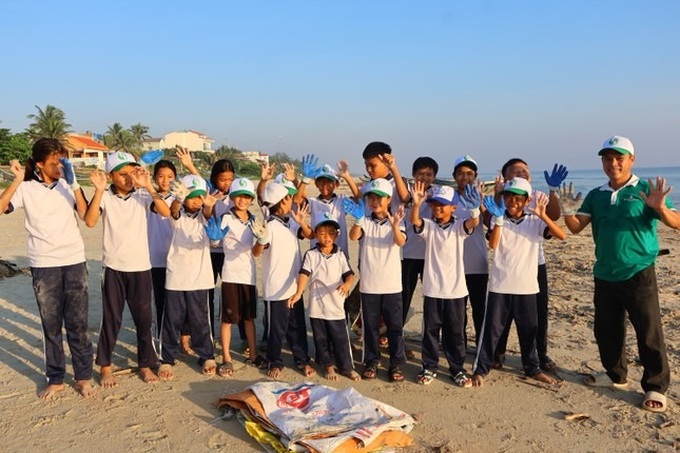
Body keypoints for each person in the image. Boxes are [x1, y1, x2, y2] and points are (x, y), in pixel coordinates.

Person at [563, 135, 679, 413]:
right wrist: (567, 208)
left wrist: (660, 208)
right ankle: (615, 375)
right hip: (604, 272)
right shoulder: (596, 195)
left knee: (648, 331)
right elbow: (576, 227)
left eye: (619, 157)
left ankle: (655, 385)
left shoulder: (645, 190)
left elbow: (676, 224)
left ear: (631, 160)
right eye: (607, 158)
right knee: (606, 329)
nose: (613, 163)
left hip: (638, 271)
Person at [0, 138, 95, 399]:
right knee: (51, 325)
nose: (61, 166)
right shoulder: (26, 189)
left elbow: (88, 218)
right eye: (55, 162)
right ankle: (55, 378)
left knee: (78, 324)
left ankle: (84, 377)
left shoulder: (68, 185)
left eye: (63, 161)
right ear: (40, 164)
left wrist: (75, 185)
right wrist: (17, 180)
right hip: (44, 265)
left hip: (74, 261)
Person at [85, 152, 171, 387]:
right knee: (111, 319)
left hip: (140, 267)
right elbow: (90, 221)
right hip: (113, 267)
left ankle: (145, 364)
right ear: (111, 176)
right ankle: (105, 366)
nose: (128, 178)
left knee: (144, 319)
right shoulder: (105, 197)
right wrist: (99, 190)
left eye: (132, 173)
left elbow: (165, 213)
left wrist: (150, 187)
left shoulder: (143, 196)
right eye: (122, 174)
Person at [472, 177, 566, 387]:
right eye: (508, 197)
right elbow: (494, 245)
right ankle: (481, 369)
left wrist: (543, 215)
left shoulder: (534, 222)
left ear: (527, 200)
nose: (512, 202)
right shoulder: (500, 220)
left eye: (517, 198)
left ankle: (532, 369)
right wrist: (496, 219)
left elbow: (562, 235)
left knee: (529, 331)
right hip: (500, 287)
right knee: (491, 331)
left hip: (527, 288)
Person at [491, 158, 567, 372]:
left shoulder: (536, 197)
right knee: (502, 313)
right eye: (515, 170)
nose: (521, 172)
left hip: (534, 263)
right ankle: (498, 351)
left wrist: (553, 190)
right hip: (506, 263)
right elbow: (492, 221)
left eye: (525, 170)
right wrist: (497, 195)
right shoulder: (502, 197)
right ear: (505, 177)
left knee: (538, 312)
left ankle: (539, 354)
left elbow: (553, 217)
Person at [410, 181, 481, 387]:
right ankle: (429, 366)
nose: (437, 208)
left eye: (443, 204)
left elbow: (474, 223)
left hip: (456, 290)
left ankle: (457, 368)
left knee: (455, 332)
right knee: (431, 331)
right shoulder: (429, 226)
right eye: (434, 204)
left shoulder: (459, 226)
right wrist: (417, 204)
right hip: (433, 289)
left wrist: (475, 209)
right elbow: (415, 220)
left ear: (453, 207)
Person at [345, 178, 407, 382]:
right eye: (371, 197)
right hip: (369, 284)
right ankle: (371, 360)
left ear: (389, 199)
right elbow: (354, 237)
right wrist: (358, 220)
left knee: (394, 326)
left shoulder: (397, 218)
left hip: (391, 285)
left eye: (379, 198)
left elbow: (400, 241)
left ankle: (396, 363)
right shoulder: (365, 220)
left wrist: (395, 226)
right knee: (370, 326)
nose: (375, 201)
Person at [157, 175, 219, 380]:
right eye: (192, 197)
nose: (196, 201)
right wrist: (178, 199)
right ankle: (167, 358)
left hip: (200, 277)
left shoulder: (205, 216)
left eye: (200, 197)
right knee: (172, 320)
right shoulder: (177, 214)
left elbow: (209, 213)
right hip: (176, 276)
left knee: (200, 319)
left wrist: (208, 206)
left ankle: (206, 355)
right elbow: (173, 212)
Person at [288, 213, 361, 381]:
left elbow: (350, 275)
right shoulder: (311, 254)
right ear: (315, 234)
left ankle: (347, 367)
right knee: (321, 339)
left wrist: (347, 284)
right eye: (322, 233)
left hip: (336, 306)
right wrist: (299, 293)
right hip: (317, 306)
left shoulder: (340, 254)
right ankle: (328, 366)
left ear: (336, 234)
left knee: (341, 339)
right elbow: (304, 275)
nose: (326, 237)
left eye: (330, 233)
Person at [256, 181, 314, 379]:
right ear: (281, 203)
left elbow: (309, 234)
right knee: (276, 330)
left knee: (297, 326)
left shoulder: (290, 223)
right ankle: (274, 361)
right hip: (275, 288)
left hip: (293, 286)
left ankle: (302, 359)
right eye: (289, 198)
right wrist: (261, 239)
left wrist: (302, 221)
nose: (292, 201)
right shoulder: (269, 226)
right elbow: (257, 252)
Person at [147, 147, 198, 355]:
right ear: (154, 177)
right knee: (160, 304)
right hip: (156, 260)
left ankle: (185, 340)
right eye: (161, 176)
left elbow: (199, 188)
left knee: (182, 305)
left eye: (170, 176)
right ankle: (161, 342)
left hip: (178, 259)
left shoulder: (181, 197)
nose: (165, 180)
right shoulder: (147, 196)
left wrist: (189, 166)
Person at [215, 177, 266, 377]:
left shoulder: (254, 221)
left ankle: (253, 355)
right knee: (227, 319)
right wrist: (213, 237)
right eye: (238, 197)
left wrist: (262, 240)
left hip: (249, 276)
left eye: (246, 197)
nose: (242, 201)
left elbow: (256, 253)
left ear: (251, 199)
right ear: (233, 198)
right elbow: (215, 242)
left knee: (248, 318)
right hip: (230, 275)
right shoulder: (226, 218)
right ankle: (226, 358)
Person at [401, 156, 439, 359]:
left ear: (434, 177)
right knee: (403, 298)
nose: (424, 177)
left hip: (431, 256)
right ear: (414, 175)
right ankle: (395, 339)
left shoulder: (436, 195)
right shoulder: (407, 194)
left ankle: (430, 340)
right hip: (407, 255)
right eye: (420, 174)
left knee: (431, 299)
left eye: (429, 174)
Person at [294, 154, 361, 257]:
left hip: (340, 255)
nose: (325, 186)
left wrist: (347, 177)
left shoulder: (341, 200)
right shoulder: (313, 202)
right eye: (321, 182)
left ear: (336, 184)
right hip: (317, 256)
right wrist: (305, 179)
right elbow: (297, 200)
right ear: (316, 184)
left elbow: (359, 199)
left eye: (329, 182)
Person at [452, 155, 488, 346]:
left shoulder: (481, 197)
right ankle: (459, 347)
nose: (465, 177)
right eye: (461, 173)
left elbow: (491, 222)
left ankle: (482, 346)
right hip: (454, 264)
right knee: (457, 312)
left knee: (480, 309)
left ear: (475, 176)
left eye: (469, 173)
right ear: (454, 176)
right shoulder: (448, 198)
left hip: (477, 264)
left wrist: (481, 203)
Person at [206, 159, 236, 340]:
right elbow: (206, 215)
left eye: (230, 179)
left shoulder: (236, 195)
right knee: (207, 292)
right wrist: (209, 205)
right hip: (210, 251)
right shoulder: (209, 194)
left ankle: (240, 336)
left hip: (229, 253)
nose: (227, 183)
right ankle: (207, 333)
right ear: (214, 178)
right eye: (223, 179)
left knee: (231, 294)